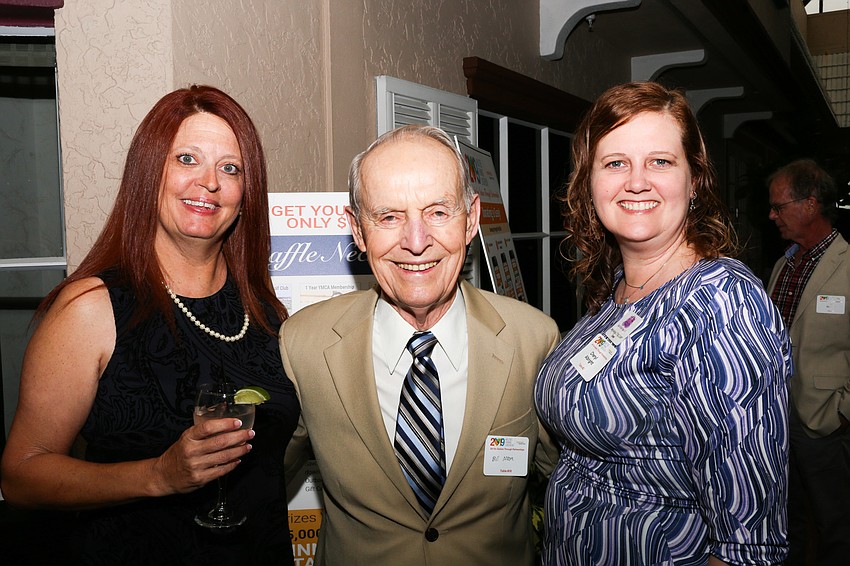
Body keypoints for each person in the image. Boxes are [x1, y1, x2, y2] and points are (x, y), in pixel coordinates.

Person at [0, 85, 299, 565]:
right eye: (186, 159)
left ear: (246, 196)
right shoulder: (91, 308)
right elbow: (21, 476)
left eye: (231, 168)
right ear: (148, 175)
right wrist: (159, 475)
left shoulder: (265, 312)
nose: (209, 183)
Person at [534, 82, 791, 565]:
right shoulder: (617, 287)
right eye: (615, 163)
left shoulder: (720, 304)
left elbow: (747, 547)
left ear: (695, 180)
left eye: (660, 161)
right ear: (589, 182)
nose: (636, 181)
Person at [279, 124, 560, 565]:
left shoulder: (534, 339)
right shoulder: (304, 345)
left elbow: (574, 486)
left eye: (438, 213)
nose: (415, 242)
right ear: (357, 230)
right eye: (389, 216)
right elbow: (256, 486)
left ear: (470, 219)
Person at [765, 158, 850, 566]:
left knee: (837, 523)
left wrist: (843, 412)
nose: (772, 216)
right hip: (777, 418)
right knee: (788, 517)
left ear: (810, 205)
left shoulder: (847, 266)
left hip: (824, 422)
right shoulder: (784, 264)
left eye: (779, 206)